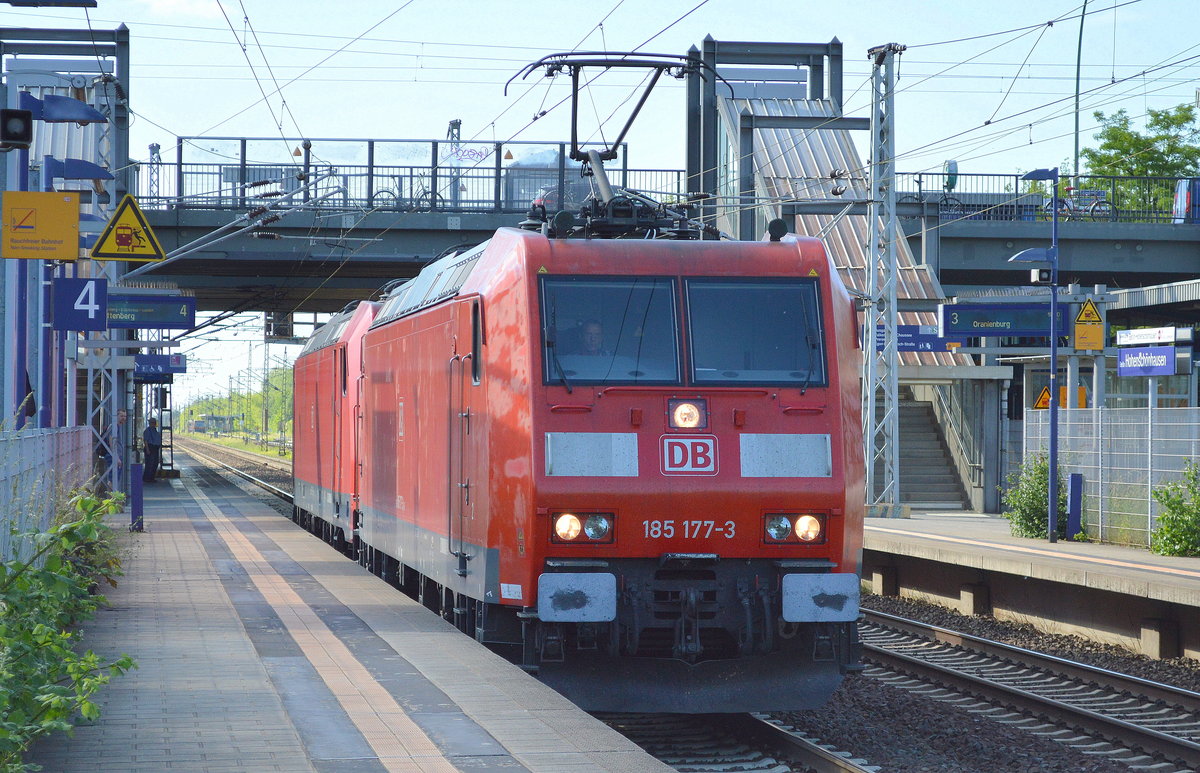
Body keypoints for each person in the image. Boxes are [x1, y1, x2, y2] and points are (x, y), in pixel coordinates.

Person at [142, 417, 162, 483]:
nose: (154, 424)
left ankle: (151, 478)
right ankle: (147, 478)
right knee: (149, 464)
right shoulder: (147, 431)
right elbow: (146, 441)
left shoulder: (155, 430)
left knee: (155, 463)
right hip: (150, 448)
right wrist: (147, 449)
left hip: (155, 448)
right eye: (153, 423)